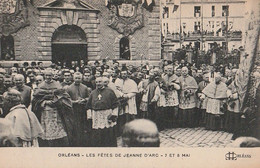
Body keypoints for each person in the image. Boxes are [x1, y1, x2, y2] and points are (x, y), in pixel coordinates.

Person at [32, 68, 74, 147]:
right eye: (46, 75)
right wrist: (44, 102)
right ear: (44, 76)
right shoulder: (40, 85)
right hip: (44, 110)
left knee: (59, 129)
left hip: (56, 109)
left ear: (53, 76)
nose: (48, 77)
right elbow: (36, 99)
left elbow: (63, 96)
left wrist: (55, 101)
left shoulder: (57, 84)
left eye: (50, 75)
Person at [87, 77, 118, 147]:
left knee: (108, 132)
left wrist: (113, 115)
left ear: (103, 82)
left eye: (100, 82)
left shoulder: (110, 91)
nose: (98, 83)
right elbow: (88, 106)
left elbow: (115, 104)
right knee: (97, 133)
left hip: (107, 114)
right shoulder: (93, 93)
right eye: (97, 82)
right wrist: (90, 117)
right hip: (96, 115)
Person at [66, 72, 89, 147]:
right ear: (73, 78)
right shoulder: (69, 88)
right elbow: (66, 100)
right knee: (75, 127)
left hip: (82, 109)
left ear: (81, 78)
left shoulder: (85, 87)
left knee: (83, 126)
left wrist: (84, 100)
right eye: (76, 78)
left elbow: (89, 97)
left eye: (79, 78)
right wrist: (75, 102)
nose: (77, 80)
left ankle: (83, 142)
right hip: (74, 110)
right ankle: (75, 142)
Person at [115, 68, 138, 134]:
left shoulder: (132, 82)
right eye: (122, 74)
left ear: (127, 74)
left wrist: (127, 96)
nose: (124, 75)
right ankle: (121, 130)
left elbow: (134, 92)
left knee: (129, 114)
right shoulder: (118, 81)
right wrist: (122, 95)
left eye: (125, 74)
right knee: (121, 115)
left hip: (129, 100)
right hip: (121, 99)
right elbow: (117, 90)